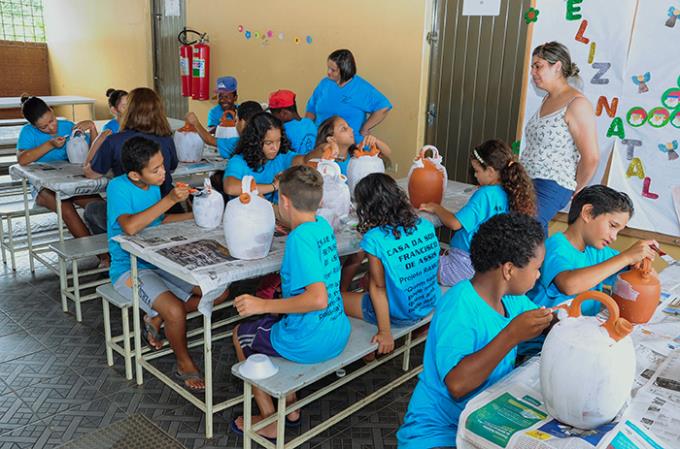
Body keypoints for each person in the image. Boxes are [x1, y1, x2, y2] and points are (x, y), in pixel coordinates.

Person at [397, 213, 553, 449]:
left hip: (480, 420)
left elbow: (547, 320)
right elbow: (457, 385)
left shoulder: (512, 300)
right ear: (509, 270)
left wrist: (564, 321)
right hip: (438, 432)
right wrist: (511, 335)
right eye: (537, 268)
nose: (539, 275)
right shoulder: (459, 306)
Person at [230, 165, 351, 440]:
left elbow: (317, 299)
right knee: (274, 322)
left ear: (284, 201)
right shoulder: (321, 225)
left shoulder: (299, 239)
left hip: (311, 341)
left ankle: (271, 418)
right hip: (337, 331)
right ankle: (291, 407)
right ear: (319, 201)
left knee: (242, 334)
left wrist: (262, 305)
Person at [107, 136, 228, 391]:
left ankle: (156, 319)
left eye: (163, 165)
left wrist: (205, 214)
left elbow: (157, 222)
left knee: (218, 292)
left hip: (159, 260)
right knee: (175, 310)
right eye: (156, 169)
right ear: (135, 175)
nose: (164, 172)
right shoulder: (118, 187)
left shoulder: (152, 184)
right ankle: (184, 362)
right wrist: (170, 199)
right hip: (129, 267)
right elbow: (130, 226)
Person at [519, 185, 656, 356]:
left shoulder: (596, 249)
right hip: (541, 349)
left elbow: (628, 269)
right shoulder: (555, 247)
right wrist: (627, 257)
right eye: (612, 226)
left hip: (579, 343)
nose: (614, 237)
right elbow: (569, 284)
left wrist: (640, 262)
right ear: (588, 213)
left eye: (619, 231)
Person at [342, 174, 439, 356]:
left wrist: (385, 333)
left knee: (335, 301)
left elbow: (378, 289)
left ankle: (368, 354)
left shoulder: (375, 239)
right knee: (367, 279)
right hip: (428, 301)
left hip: (401, 314)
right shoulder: (425, 224)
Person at [420, 140, 536, 287]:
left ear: (490, 171)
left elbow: (454, 223)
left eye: (477, 171)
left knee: (417, 265)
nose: (475, 175)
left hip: (464, 264)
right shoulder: (512, 192)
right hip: (488, 266)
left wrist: (437, 208)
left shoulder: (485, 194)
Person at [520, 41, 599, 235]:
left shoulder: (577, 103)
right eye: (532, 66)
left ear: (557, 67)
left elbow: (591, 157)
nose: (533, 72)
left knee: (526, 230)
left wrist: (575, 187)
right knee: (530, 235)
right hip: (528, 180)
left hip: (552, 184)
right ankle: (543, 265)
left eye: (538, 66)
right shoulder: (547, 98)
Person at [84, 87, 180, 233]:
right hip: (164, 204)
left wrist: (97, 143)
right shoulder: (166, 139)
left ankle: (106, 255)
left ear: (128, 111)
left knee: (92, 209)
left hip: (135, 208)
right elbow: (172, 167)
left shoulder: (113, 140)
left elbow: (92, 173)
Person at [16, 95, 106, 245]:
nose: (51, 127)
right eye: (44, 127)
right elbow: (22, 160)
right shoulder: (27, 132)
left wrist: (92, 128)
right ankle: (104, 257)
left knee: (99, 205)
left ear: (52, 110)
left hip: (69, 181)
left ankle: (115, 250)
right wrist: (50, 144)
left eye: (52, 120)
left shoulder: (67, 126)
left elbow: (93, 153)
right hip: (42, 187)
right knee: (66, 209)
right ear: (33, 126)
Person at [306, 49, 392, 144]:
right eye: (328, 68)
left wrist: (364, 128)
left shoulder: (361, 88)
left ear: (345, 71)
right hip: (320, 141)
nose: (328, 72)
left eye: (333, 70)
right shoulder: (324, 83)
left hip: (349, 145)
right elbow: (311, 108)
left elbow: (383, 107)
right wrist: (307, 130)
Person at [223, 112, 301, 203]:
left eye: (278, 141)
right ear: (255, 142)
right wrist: (273, 186)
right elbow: (230, 187)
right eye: (269, 143)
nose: (275, 148)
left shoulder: (282, 156)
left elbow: (303, 160)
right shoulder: (238, 161)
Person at [304, 115, 391, 177]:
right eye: (344, 129)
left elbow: (387, 153)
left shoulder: (356, 153)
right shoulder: (323, 156)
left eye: (348, 126)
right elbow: (317, 151)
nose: (351, 130)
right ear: (331, 138)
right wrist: (329, 145)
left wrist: (376, 141)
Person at [185, 100, 263, 159]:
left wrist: (196, 123)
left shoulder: (236, 144)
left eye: (236, 120)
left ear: (242, 122)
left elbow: (209, 140)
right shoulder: (270, 141)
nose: (235, 123)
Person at [268, 89, 317, 154]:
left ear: (284, 113)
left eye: (274, 115)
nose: (273, 118)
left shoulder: (283, 131)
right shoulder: (310, 123)